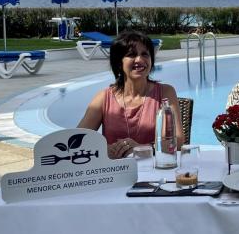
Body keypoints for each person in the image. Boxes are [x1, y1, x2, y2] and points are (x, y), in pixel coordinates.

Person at [78, 30, 184, 159]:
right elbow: (78, 139)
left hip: (154, 167)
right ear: (119, 62)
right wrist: (104, 150)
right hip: (115, 169)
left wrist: (141, 149)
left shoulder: (165, 93)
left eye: (145, 54)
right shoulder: (103, 98)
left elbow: (177, 140)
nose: (139, 59)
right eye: (132, 55)